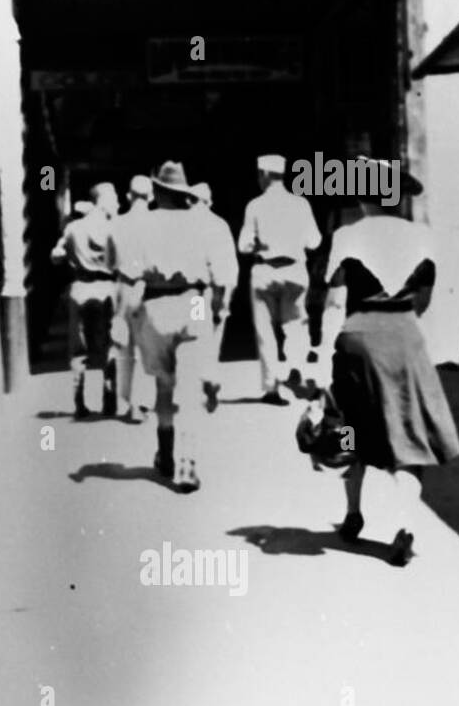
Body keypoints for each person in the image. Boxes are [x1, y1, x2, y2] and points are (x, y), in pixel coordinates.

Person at [317, 167, 459, 566]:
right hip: (405, 336)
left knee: (350, 427)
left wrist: (320, 358)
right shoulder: (424, 237)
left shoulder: (347, 235)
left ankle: (352, 514)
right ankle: (404, 525)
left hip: (358, 335)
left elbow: (334, 300)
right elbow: (424, 299)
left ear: (365, 198)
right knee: (409, 436)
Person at [125, 163, 219, 492]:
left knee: (164, 385)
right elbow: (218, 273)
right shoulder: (202, 223)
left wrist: (128, 316)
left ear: (157, 191)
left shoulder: (142, 224)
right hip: (193, 299)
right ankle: (187, 463)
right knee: (190, 388)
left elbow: (130, 273)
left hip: (155, 303)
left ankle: (165, 454)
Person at [238, 154, 321, 404]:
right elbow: (314, 241)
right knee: (295, 325)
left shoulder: (255, 206)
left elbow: (243, 246)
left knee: (265, 330)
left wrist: (260, 244)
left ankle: (271, 387)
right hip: (294, 270)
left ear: (264, 175)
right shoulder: (301, 204)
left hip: (264, 270)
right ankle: (295, 367)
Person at [50, 183, 119, 418]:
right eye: (113, 198)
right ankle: (109, 400)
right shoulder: (114, 228)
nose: (117, 202)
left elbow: (56, 256)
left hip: (80, 288)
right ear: (102, 200)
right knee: (110, 345)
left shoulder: (73, 227)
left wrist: (73, 255)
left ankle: (79, 403)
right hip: (108, 289)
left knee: (79, 349)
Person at [109, 174, 154, 422]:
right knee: (146, 346)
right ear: (151, 196)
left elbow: (109, 262)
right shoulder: (159, 223)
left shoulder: (116, 224)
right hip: (148, 288)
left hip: (123, 287)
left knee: (123, 345)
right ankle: (141, 402)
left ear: (128, 196)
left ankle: (125, 401)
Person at [190, 182, 238, 410]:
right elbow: (230, 265)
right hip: (217, 290)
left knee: (198, 336)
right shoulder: (220, 225)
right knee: (214, 337)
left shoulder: (185, 225)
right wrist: (227, 296)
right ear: (209, 201)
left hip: (197, 294)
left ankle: (203, 380)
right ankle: (210, 375)